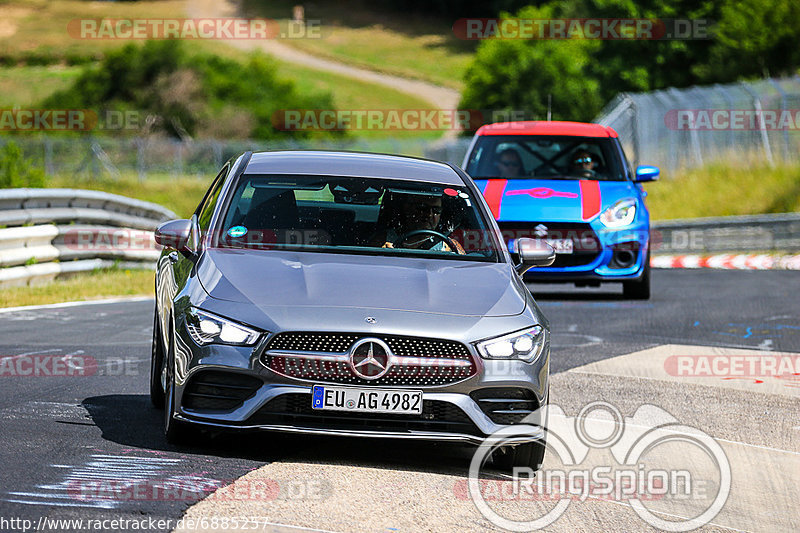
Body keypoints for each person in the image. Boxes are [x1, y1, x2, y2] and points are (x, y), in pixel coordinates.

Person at [370, 191, 464, 253]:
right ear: (407, 209)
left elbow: (463, 270)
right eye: (422, 208)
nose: (429, 215)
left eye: (436, 211)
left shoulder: (449, 245)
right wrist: (382, 253)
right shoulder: (383, 239)